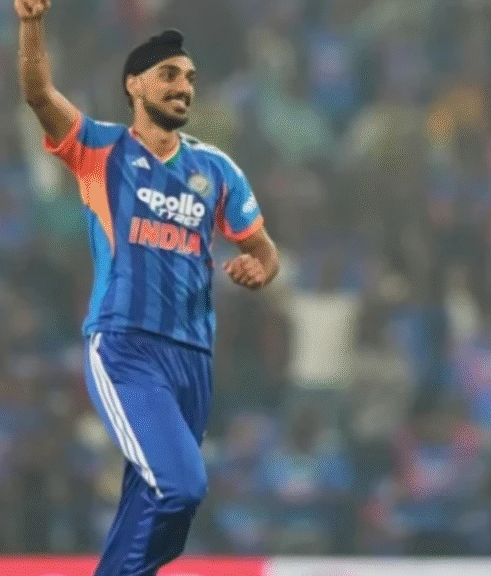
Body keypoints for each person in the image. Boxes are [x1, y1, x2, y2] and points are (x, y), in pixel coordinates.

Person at [16, 1, 280, 574]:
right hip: (125, 346)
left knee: (155, 508)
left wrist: (260, 268)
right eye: (169, 74)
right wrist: (32, 23)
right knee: (181, 487)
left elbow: (263, 249)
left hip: (193, 359)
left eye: (189, 78)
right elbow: (39, 95)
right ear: (134, 84)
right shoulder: (101, 150)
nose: (183, 86)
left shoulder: (218, 170)